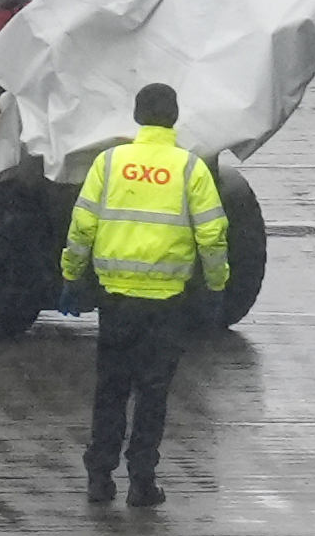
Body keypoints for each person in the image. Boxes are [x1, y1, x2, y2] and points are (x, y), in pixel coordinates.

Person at [59, 82, 230, 507]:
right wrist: (216, 284)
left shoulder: (110, 162)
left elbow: (82, 226)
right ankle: (142, 481)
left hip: (116, 300)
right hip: (166, 301)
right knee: (153, 393)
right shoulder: (191, 169)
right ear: (174, 118)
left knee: (111, 390)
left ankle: (99, 478)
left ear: (136, 117)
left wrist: (72, 275)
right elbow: (212, 234)